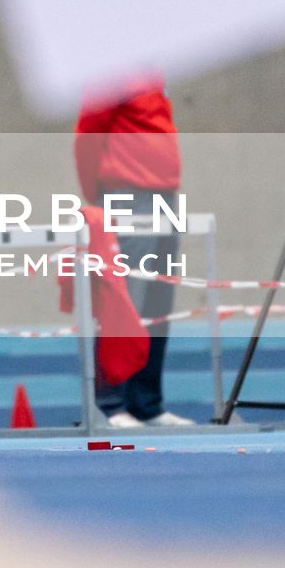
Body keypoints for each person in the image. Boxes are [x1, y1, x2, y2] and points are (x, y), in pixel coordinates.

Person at [73, 80, 190, 428]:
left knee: (157, 303)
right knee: (123, 301)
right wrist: (97, 194)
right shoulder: (113, 70)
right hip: (126, 194)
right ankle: (110, 403)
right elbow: (87, 134)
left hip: (164, 195)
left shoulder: (156, 74)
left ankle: (146, 402)